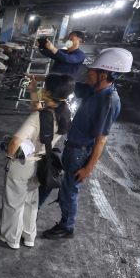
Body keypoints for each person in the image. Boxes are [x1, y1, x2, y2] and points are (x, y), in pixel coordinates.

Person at [41, 48, 133, 239]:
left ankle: (66, 228)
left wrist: (87, 169)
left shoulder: (109, 100)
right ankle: (33, 209)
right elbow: (71, 86)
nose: (88, 72)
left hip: (79, 153)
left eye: (93, 70)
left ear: (104, 74)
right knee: (50, 180)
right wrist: (42, 79)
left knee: (69, 191)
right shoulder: (95, 90)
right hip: (71, 147)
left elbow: (101, 140)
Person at [0, 73, 75, 249]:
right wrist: (33, 90)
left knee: (13, 202)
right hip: (42, 164)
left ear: (48, 92)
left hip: (22, 164)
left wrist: (10, 155)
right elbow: (39, 111)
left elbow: (15, 142)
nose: (42, 88)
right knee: (30, 201)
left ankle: (10, 238)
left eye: (43, 87)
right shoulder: (63, 114)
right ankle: (29, 236)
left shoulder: (37, 119)